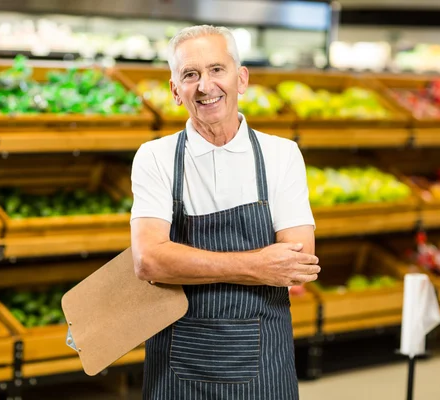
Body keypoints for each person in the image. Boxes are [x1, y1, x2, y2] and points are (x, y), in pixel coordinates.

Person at [130, 25, 319, 400]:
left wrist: (183, 261)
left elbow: (297, 262)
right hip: (177, 363)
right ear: (174, 90)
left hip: (265, 361)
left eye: (217, 70)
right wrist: (257, 266)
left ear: (241, 78)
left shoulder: (281, 155)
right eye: (190, 75)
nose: (205, 86)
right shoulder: (155, 157)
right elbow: (149, 260)